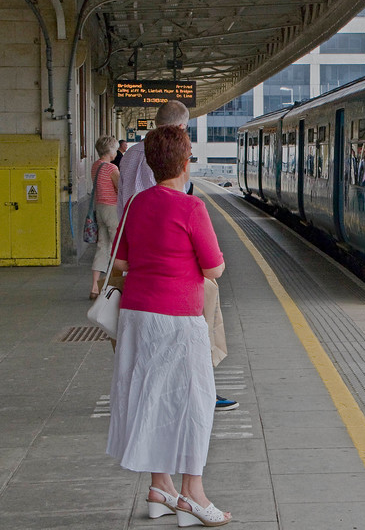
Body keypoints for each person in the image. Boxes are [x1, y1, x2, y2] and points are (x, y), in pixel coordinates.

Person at [106, 125, 231, 527]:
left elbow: (120, 262)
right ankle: (192, 494)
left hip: (137, 317)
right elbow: (214, 267)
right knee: (194, 400)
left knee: (153, 396)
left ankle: (161, 487)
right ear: (184, 161)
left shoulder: (137, 204)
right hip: (179, 318)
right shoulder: (191, 208)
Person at [118, 101, 238, 411]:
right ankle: (203, 384)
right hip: (169, 274)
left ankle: (163, 393)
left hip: (134, 269)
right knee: (208, 308)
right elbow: (213, 267)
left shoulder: (131, 153)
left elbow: (129, 214)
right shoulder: (179, 194)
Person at [89, 136, 121, 300]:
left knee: (102, 246)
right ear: (109, 151)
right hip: (112, 209)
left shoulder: (95, 166)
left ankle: (95, 286)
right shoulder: (111, 168)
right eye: (115, 149)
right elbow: (120, 188)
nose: (116, 152)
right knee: (117, 247)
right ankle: (114, 284)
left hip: (99, 208)